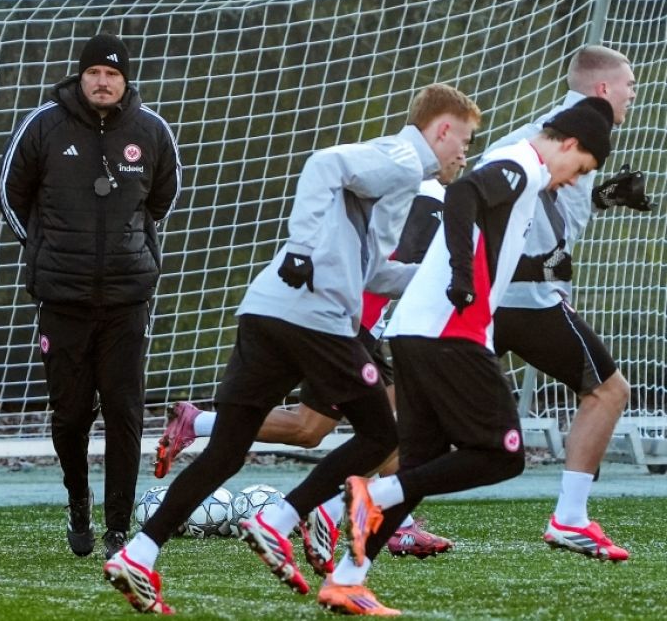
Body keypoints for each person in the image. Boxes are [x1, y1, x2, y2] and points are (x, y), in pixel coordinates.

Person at [102, 84, 479, 615]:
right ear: (441, 130)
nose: (463, 153)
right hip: (312, 316)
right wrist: (300, 248)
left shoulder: (398, 181)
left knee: (228, 451)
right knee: (383, 434)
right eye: (463, 140)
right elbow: (322, 164)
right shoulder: (399, 158)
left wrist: (442, 281)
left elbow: (373, 272)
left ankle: (140, 553)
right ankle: (281, 519)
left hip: (268, 310)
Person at [336, 98, 614, 616]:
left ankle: (348, 577)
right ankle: (367, 496)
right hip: (450, 330)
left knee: (419, 464)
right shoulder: (522, 164)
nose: (576, 181)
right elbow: (461, 194)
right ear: (570, 146)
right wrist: (463, 277)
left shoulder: (526, 174)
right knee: (503, 454)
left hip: (420, 328)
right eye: (582, 169)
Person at [154, 164, 464, 569]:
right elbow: (389, 269)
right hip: (350, 328)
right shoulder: (426, 196)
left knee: (347, 428)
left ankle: (392, 520)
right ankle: (333, 510)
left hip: (359, 326)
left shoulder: (413, 190)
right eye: (461, 142)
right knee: (349, 429)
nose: (462, 155)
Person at [0, 32, 183, 560]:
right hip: (62, 297)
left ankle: (118, 527)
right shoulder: (44, 125)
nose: (103, 82)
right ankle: (78, 501)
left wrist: (131, 247)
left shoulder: (150, 130)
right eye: (94, 73)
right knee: (72, 414)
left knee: (125, 412)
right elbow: (9, 193)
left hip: (128, 298)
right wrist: (45, 248)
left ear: (126, 81)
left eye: (113, 74)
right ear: (80, 77)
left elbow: (163, 197)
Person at [486, 46, 649, 561]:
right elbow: (493, 184)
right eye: (628, 85)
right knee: (608, 391)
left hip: (496, 300)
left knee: (413, 407)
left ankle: (349, 507)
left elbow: (545, 206)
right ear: (603, 89)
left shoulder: (561, 131)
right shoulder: (551, 136)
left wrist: (601, 199)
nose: (633, 94)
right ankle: (570, 518)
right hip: (526, 300)